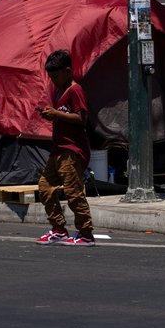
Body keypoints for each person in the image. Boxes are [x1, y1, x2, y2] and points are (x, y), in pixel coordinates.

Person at [35, 49, 96, 248]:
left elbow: (81, 118)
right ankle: (59, 229)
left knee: (73, 192)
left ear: (68, 71)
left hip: (72, 149)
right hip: (58, 148)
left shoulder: (75, 90)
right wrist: (50, 114)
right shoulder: (58, 90)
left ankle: (86, 233)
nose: (53, 80)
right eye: (50, 76)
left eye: (55, 76)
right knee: (45, 187)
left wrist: (57, 114)